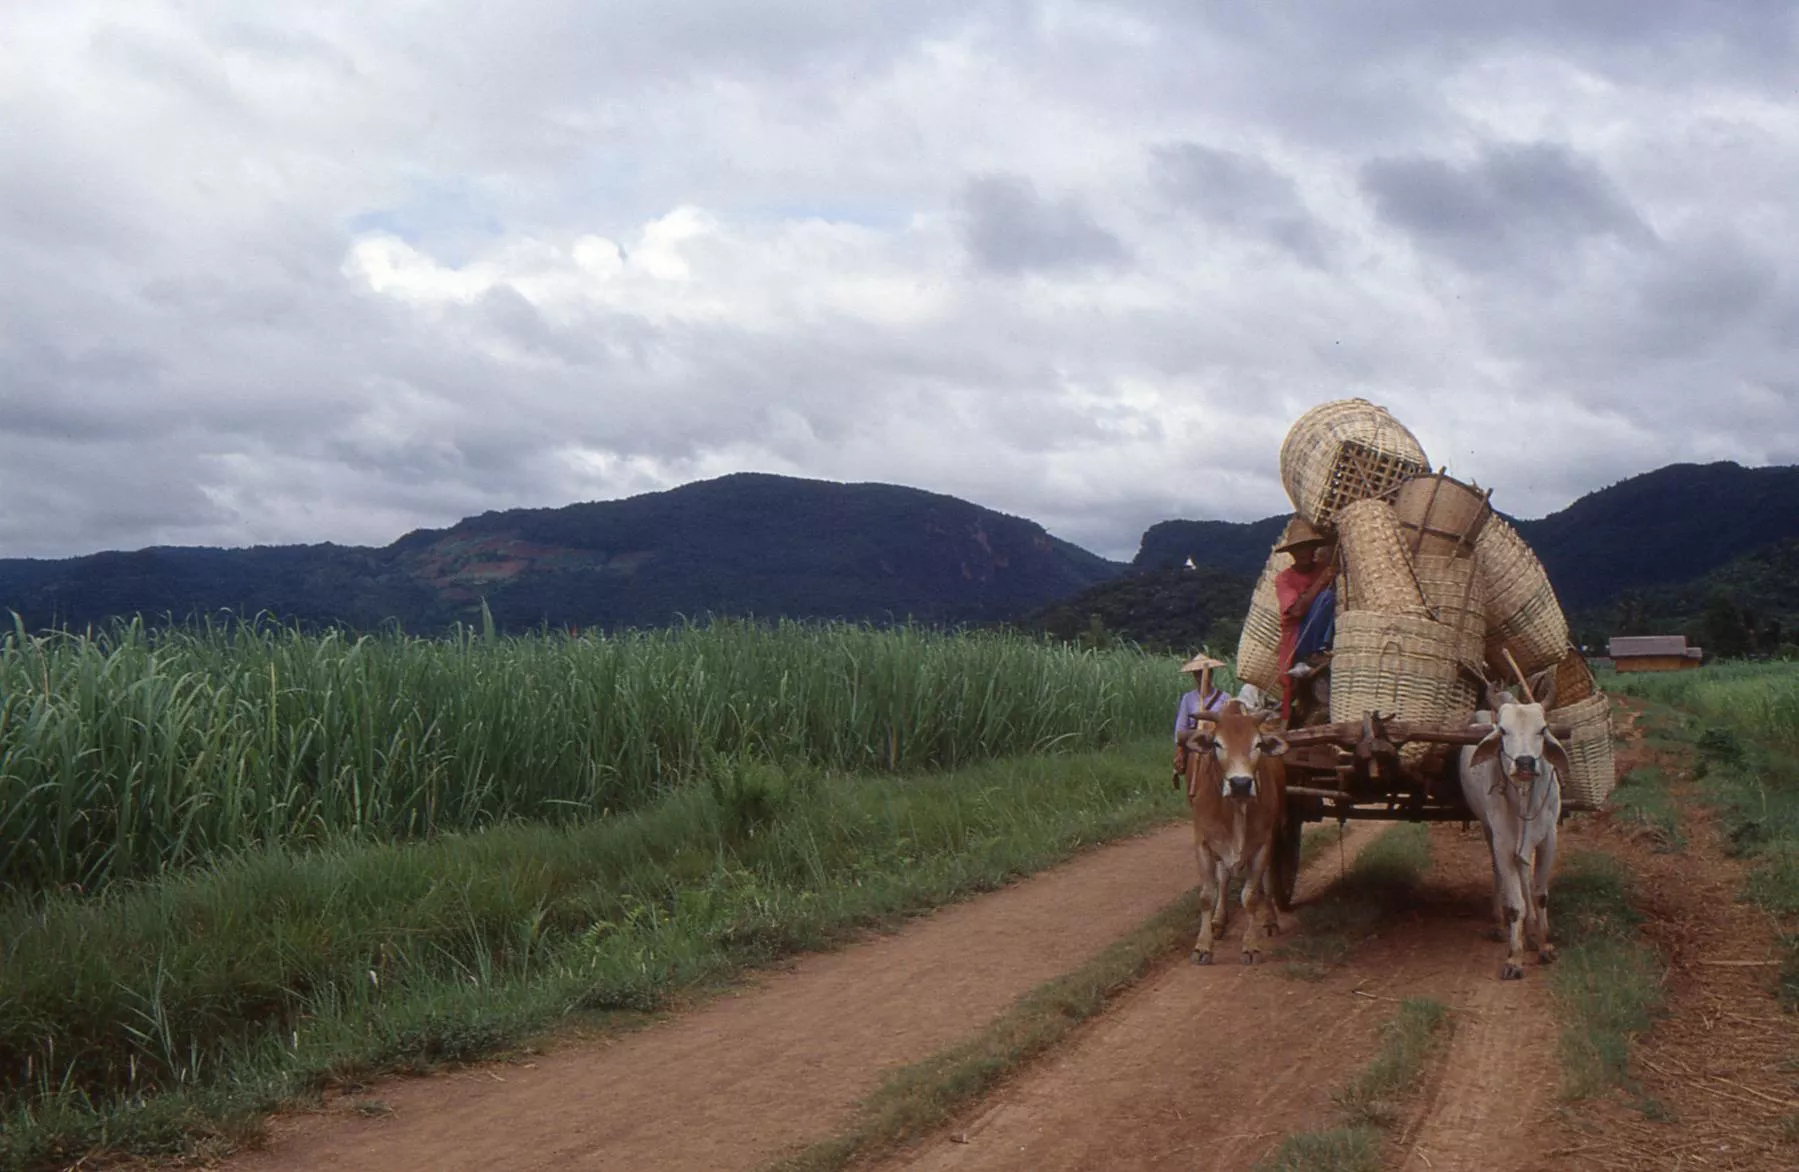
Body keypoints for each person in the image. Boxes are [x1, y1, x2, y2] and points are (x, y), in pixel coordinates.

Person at [1273, 518, 1338, 723]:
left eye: (1308, 548)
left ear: (1313, 550)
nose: (1304, 553)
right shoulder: (1284, 579)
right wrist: (1321, 582)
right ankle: (1316, 653)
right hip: (1300, 639)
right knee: (1326, 598)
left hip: (1326, 631)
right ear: (1292, 553)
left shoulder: (1323, 569)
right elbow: (1297, 611)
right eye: (1299, 549)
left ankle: (1326, 648)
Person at [1172, 653, 1231, 788]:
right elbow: (1181, 727)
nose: (1202, 677)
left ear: (1211, 674)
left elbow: (1229, 723)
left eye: (1205, 673)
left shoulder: (1225, 697)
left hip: (1217, 739)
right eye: (1197, 674)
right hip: (1197, 739)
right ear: (1194, 676)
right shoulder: (1188, 698)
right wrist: (1180, 749)